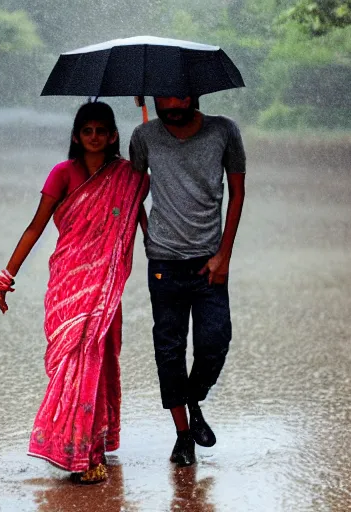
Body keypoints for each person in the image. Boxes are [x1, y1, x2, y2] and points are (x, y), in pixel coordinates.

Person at [0, 102, 149, 483]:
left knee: (97, 361)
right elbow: (35, 226)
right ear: (77, 136)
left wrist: (151, 145)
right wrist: (6, 275)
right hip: (69, 282)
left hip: (105, 286)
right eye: (87, 131)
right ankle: (71, 446)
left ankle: (90, 451)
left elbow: (144, 224)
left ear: (114, 135)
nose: (94, 137)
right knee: (72, 362)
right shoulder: (63, 174)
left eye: (101, 130)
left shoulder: (129, 176)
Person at [129, 95, 246, 466]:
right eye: (164, 96)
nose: (172, 103)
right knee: (169, 349)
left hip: (209, 262)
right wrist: (147, 233)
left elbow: (238, 191)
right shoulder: (143, 135)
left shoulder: (224, 131)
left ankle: (193, 398)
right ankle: (183, 434)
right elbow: (133, 191)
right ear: (154, 98)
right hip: (163, 261)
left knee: (215, 341)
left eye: (180, 95)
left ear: (196, 94)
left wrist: (224, 254)